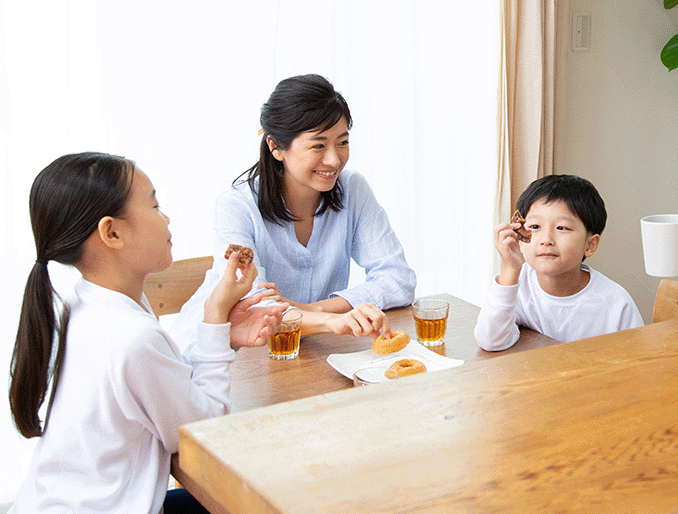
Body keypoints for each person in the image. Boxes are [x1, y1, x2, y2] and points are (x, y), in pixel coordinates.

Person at [9, 152, 286, 514]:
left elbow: (164, 394)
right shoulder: (128, 335)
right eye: (155, 205)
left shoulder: (87, 306)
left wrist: (221, 334)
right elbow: (202, 431)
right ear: (112, 232)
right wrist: (215, 315)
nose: (167, 217)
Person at [172, 74, 414, 347]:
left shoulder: (353, 190)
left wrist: (316, 308)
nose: (334, 159)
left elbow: (399, 279)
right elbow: (254, 309)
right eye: (318, 145)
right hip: (220, 354)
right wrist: (331, 319)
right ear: (275, 146)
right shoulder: (237, 206)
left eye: (343, 142)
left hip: (305, 349)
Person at [475, 175, 643, 350]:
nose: (546, 239)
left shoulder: (616, 303)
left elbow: (640, 362)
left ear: (590, 245)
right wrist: (510, 268)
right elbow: (491, 340)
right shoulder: (518, 284)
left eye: (561, 228)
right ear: (520, 235)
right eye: (535, 227)